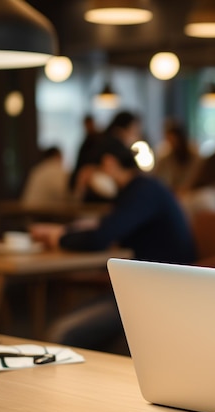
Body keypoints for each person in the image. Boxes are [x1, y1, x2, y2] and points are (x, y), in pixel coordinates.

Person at [31, 137, 197, 352]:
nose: (90, 182)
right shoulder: (139, 190)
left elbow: (100, 237)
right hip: (142, 287)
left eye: (89, 176)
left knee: (59, 332)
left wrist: (58, 238)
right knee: (60, 328)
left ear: (108, 164)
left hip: (158, 293)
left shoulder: (143, 192)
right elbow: (106, 228)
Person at [152, 120, 200, 194]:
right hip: (173, 194)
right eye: (169, 140)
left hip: (192, 193)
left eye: (173, 140)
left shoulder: (195, 157)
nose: (171, 143)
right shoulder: (166, 159)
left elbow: (196, 178)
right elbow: (157, 178)